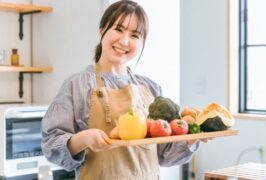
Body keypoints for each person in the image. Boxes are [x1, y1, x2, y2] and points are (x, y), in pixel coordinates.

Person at [41, 1, 203, 179]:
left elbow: (165, 155)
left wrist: (192, 138)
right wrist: (83, 139)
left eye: (134, 35)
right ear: (102, 31)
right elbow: (51, 145)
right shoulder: (76, 85)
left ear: (142, 42)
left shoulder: (151, 88)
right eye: (118, 29)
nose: (124, 41)